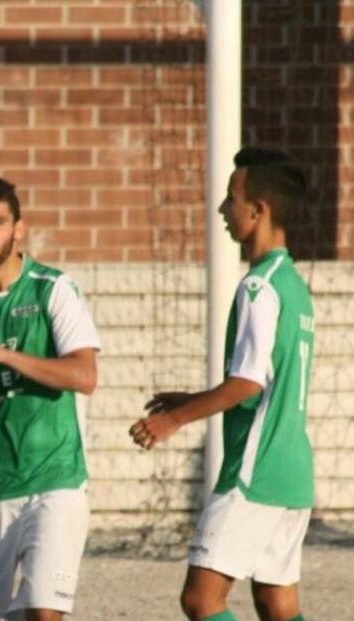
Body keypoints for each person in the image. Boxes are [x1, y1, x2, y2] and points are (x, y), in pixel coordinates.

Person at [130, 147, 314, 621]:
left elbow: (248, 384)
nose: (222, 210)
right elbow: (265, 381)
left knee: (201, 599)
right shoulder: (292, 284)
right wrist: (191, 399)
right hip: (292, 472)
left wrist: (172, 419)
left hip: (255, 471)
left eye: (231, 198)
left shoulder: (257, 287)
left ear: (258, 209)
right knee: (276, 601)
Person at [0, 177, 101, 621]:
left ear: (18, 229)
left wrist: (4, 355)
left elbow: (84, 375)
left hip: (56, 480)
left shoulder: (52, 289)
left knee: (43, 615)